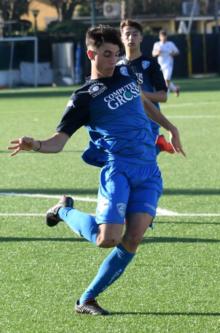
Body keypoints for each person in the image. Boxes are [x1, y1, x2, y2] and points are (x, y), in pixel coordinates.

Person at [8, 25, 185, 315]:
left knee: (135, 237)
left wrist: (171, 127)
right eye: (106, 54)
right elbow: (58, 142)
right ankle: (63, 210)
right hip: (119, 169)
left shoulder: (126, 74)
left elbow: (143, 101)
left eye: (116, 54)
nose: (113, 60)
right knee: (108, 239)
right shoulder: (83, 98)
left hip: (148, 169)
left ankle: (86, 299)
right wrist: (36, 144)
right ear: (91, 53)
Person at [120, 19, 174, 154]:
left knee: (144, 162)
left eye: (135, 34)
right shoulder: (115, 66)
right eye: (127, 34)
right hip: (125, 124)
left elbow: (163, 96)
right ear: (122, 38)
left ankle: (157, 142)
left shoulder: (150, 64)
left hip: (149, 122)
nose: (131, 37)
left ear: (141, 38)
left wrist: (140, 94)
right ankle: (159, 143)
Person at [152, 29, 180, 97]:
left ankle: (166, 94)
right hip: (160, 65)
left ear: (166, 36)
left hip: (168, 64)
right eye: (162, 36)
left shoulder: (170, 44)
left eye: (164, 36)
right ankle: (176, 89)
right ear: (160, 37)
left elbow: (177, 52)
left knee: (166, 79)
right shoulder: (157, 44)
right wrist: (157, 53)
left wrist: (173, 53)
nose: (163, 37)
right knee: (163, 80)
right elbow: (153, 54)